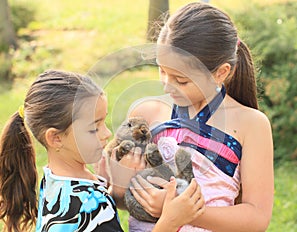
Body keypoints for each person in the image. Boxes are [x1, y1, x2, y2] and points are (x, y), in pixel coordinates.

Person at [126, 2, 274, 232]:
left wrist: (185, 212)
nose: (167, 86)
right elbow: (119, 193)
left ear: (220, 73)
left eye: (181, 80)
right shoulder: (146, 114)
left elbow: (257, 217)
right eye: (162, 70)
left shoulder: (251, 124)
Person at [0, 70, 205, 232]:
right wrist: (170, 221)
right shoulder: (88, 204)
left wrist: (117, 188)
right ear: (55, 138)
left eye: (103, 122)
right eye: (93, 128)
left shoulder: (55, 179)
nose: (106, 133)